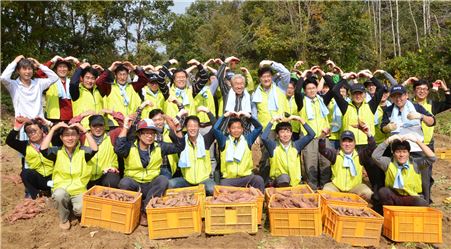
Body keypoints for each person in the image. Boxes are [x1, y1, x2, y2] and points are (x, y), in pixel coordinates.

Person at [115, 116, 185, 226]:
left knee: (163, 180)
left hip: (150, 185)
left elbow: (179, 147)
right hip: (135, 184)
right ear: (139, 134)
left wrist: (177, 129)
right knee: (124, 182)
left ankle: (145, 212)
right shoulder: (130, 147)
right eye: (146, 133)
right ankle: (134, 210)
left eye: (152, 133)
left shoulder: (159, 147)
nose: (150, 136)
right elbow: (118, 148)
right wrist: (125, 127)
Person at [40, 122, 98, 230]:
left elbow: (94, 149)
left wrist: (83, 129)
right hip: (61, 188)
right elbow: (43, 149)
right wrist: (53, 129)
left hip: (79, 189)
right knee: (59, 195)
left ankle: (73, 208)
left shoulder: (83, 151)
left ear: (78, 137)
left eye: (73, 135)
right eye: (66, 135)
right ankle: (64, 218)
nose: (70, 138)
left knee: (80, 210)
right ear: (61, 138)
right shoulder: (57, 152)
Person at [294, 68, 334, 190]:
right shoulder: (302, 102)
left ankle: (325, 188)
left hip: (323, 137)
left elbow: (333, 89)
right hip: (308, 139)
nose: (311, 90)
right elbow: (296, 92)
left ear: (317, 89)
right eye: (308, 89)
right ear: (305, 91)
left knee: (325, 164)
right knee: (310, 165)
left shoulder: (322, 100)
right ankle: (312, 189)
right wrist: (303, 76)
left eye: (313, 88)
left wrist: (324, 74)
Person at [372, 134, 436, 206]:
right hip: (395, 197)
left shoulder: (415, 163)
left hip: (411, 197)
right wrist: (388, 141)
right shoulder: (388, 163)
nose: (401, 155)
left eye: (404, 152)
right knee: (383, 192)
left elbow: (432, 158)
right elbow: (375, 156)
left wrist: (417, 141)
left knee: (421, 202)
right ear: (393, 153)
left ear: (409, 153)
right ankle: (390, 212)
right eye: (398, 152)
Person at [168, 107, 217, 195]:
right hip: (187, 180)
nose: (192, 128)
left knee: (212, 189)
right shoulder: (182, 142)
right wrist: (179, 115)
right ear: (186, 128)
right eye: (190, 126)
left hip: (204, 180)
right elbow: (171, 132)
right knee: (169, 184)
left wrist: (207, 111)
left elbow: (216, 127)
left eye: (195, 126)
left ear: (199, 127)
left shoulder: (205, 140)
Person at [319, 128, 375, 202]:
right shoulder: (335, 154)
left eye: (350, 141)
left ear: (355, 143)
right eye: (344, 141)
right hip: (336, 187)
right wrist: (323, 136)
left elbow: (372, 147)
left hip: (355, 187)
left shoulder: (360, 155)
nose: (347, 144)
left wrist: (368, 133)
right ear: (340, 143)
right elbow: (322, 149)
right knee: (325, 192)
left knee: (368, 193)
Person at [213, 112, 265, 193]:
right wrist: (225, 116)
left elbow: (259, 127)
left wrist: (249, 116)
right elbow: (215, 129)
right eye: (233, 128)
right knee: (223, 186)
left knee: (258, 180)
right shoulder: (224, 141)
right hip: (229, 180)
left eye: (238, 128)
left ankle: (260, 203)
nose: (236, 130)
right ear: (228, 129)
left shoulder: (248, 139)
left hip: (246, 177)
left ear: (242, 129)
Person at [6, 117, 54, 199]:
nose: (32, 134)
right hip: (39, 178)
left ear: (42, 130)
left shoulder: (52, 141)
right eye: (29, 132)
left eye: (35, 131)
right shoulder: (25, 146)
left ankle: (51, 191)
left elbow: (62, 131)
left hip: (54, 177)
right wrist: (17, 128)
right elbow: (9, 141)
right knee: (25, 173)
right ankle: (35, 196)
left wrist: (48, 123)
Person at [261, 116, 315, 187]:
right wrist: (272, 120)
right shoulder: (273, 146)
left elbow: (312, 134)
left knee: (312, 187)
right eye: (282, 132)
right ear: (277, 135)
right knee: (284, 178)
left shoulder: (296, 145)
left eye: (288, 132)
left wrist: (299, 119)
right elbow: (263, 137)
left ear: (291, 133)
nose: (285, 135)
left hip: (294, 184)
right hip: (279, 182)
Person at [1, 55, 58, 120]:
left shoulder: (38, 83)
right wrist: (15, 61)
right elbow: (3, 78)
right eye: (24, 69)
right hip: (22, 124)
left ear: (33, 71)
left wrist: (39, 65)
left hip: (39, 123)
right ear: (18, 71)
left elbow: (54, 78)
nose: (27, 72)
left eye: (29, 69)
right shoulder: (13, 85)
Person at [96, 61, 148, 126]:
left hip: (131, 123)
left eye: (124, 74)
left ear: (128, 75)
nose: (122, 77)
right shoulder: (109, 87)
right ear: (116, 75)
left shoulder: (133, 86)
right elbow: (98, 82)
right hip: (115, 124)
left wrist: (133, 68)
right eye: (120, 74)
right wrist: (110, 69)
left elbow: (144, 80)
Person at [81, 115, 121, 189]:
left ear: (105, 126)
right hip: (87, 177)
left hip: (105, 174)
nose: (98, 128)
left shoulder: (112, 136)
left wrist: (113, 113)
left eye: (101, 125)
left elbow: (125, 126)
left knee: (112, 180)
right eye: (94, 126)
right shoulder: (83, 137)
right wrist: (81, 115)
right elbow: (71, 126)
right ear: (89, 126)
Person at [38, 56, 79, 123]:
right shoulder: (49, 82)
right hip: (54, 118)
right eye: (60, 67)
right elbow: (39, 74)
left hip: (72, 118)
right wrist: (51, 61)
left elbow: (84, 75)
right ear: (56, 69)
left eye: (65, 67)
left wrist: (76, 61)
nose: (62, 69)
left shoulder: (72, 82)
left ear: (68, 70)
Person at [69, 63, 105, 129]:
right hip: (84, 128)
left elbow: (108, 80)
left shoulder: (99, 89)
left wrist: (103, 71)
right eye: (87, 78)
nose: (90, 81)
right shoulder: (77, 91)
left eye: (92, 78)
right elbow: (73, 83)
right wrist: (80, 68)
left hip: (100, 128)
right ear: (82, 78)